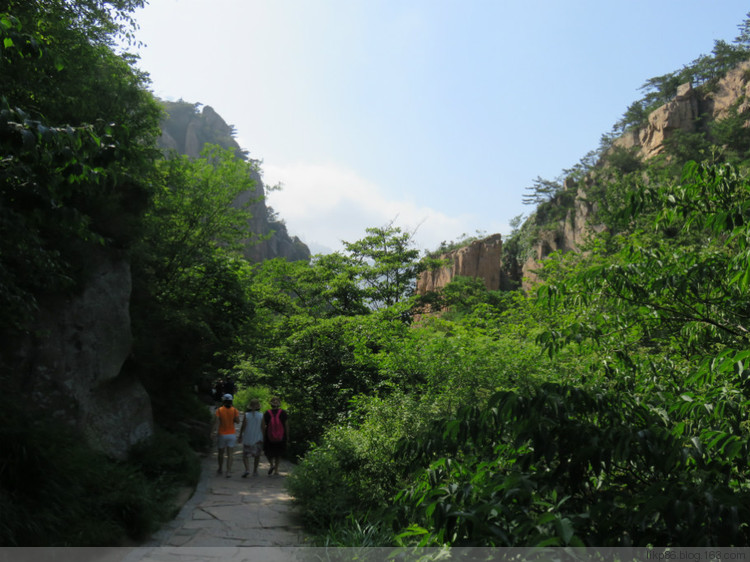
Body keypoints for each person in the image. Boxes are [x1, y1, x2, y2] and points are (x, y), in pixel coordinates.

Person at [262, 396, 289, 476]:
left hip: (269, 436)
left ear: (271, 404)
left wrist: (263, 436)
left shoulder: (267, 413)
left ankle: (271, 465)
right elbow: (286, 425)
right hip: (281, 436)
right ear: (279, 404)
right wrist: (287, 436)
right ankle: (276, 470)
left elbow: (263, 426)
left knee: (268, 452)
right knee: (278, 453)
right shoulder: (283, 413)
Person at [214, 394, 240, 477]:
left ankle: (220, 468)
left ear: (223, 401)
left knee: (221, 453)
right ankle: (228, 471)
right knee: (230, 454)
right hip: (231, 434)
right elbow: (238, 421)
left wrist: (213, 431)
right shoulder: (234, 410)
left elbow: (217, 422)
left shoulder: (219, 410)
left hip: (222, 433)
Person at [238, 398, 264, 477]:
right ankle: (255, 471)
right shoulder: (261, 415)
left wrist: (240, 435)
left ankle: (247, 469)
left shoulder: (247, 415)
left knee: (245, 455)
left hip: (248, 437)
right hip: (258, 438)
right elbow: (263, 427)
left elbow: (243, 426)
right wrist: (264, 437)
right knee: (257, 455)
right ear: (258, 406)